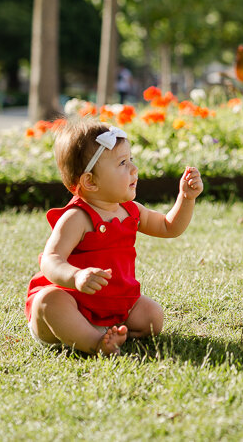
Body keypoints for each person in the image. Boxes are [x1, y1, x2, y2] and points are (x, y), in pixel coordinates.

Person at [26, 121, 204, 355]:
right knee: (49, 301)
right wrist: (76, 276)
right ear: (90, 181)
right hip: (71, 307)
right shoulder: (76, 217)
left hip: (114, 304)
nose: (133, 169)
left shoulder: (131, 210)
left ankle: (107, 332)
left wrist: (186, 198)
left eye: (131, 159)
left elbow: (169, 227)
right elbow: (51, 259)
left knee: (153, 317)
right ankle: (96, 343)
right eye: (122, 163)